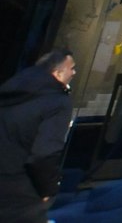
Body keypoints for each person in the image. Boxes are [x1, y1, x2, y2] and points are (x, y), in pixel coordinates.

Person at [0, 48, 76, 223]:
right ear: (57, 73)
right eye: (71, 68)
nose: (74, 73)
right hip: (23, 195)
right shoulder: (58, 103)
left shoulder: (10, 94)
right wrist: (49, 189)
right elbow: (43, 155)